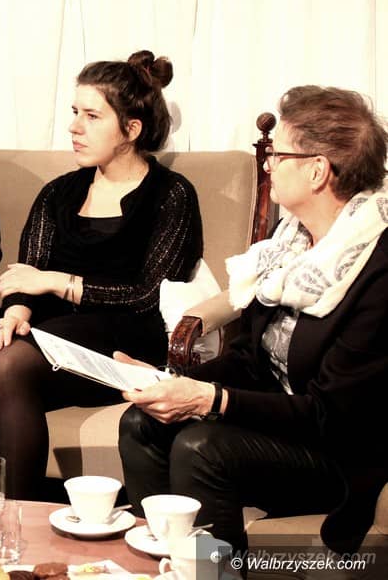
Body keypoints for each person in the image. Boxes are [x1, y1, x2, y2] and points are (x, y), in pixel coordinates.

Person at [117, 86, 388, 557]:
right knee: (142, 420)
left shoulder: (376, 271)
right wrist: (171, 381)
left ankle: (210, 571)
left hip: (341, 452)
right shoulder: (289, 244)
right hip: (280, 422)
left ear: (317, 170)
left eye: (277, 156)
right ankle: (160, 562)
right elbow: (248, 359)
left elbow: (331, 415)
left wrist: (210, 400)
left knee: (201, 448)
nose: (267, 166)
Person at [0, 51, 203, 500]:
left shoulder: (171, 194)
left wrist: (58, 282)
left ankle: (17, 518)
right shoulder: (58, 192)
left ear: (131, 129)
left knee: (9, 364)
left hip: (126, 337)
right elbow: (26, 275)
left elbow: (149, 295)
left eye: (92, 116)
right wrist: (16, 312)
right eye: (75, 113)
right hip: (52, 327)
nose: (75, 127)